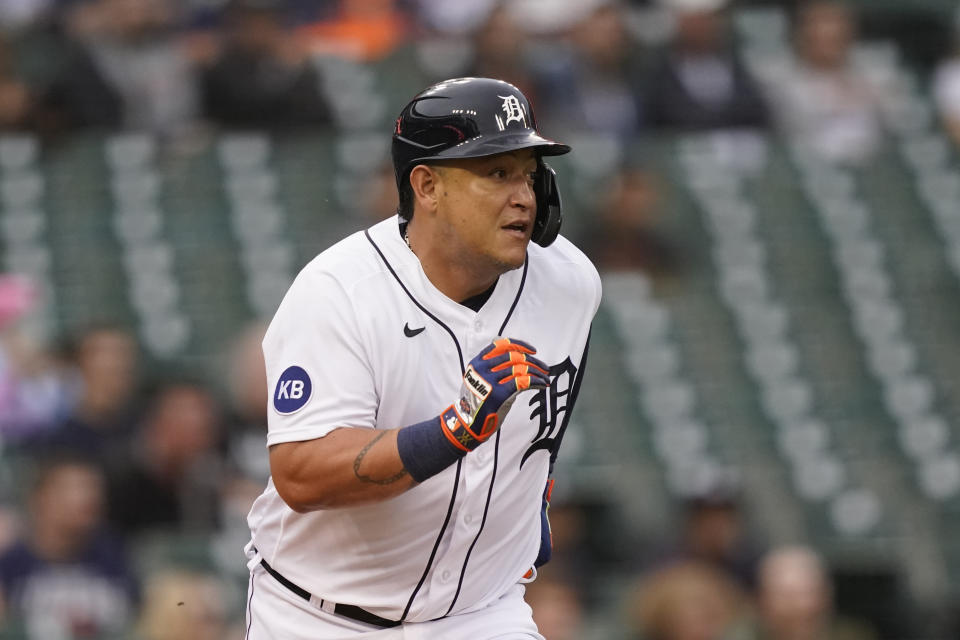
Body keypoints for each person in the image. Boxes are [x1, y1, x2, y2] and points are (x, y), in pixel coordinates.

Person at [244, 76, 601, 639]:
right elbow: (301, 475)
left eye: (530, 174)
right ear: (427, 186)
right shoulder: (339, 291)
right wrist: (456, 430)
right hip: (321, 614)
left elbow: (546, 425)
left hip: (480, 613)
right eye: (496, 173)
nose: (524, 197)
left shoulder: (570, 282)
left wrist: (529, 493)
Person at [0, 455, 138, 639]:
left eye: (94, 488)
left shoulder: (115, 557)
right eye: (73, 488)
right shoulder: (11, 564)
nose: (88, 498)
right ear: (39, 498)